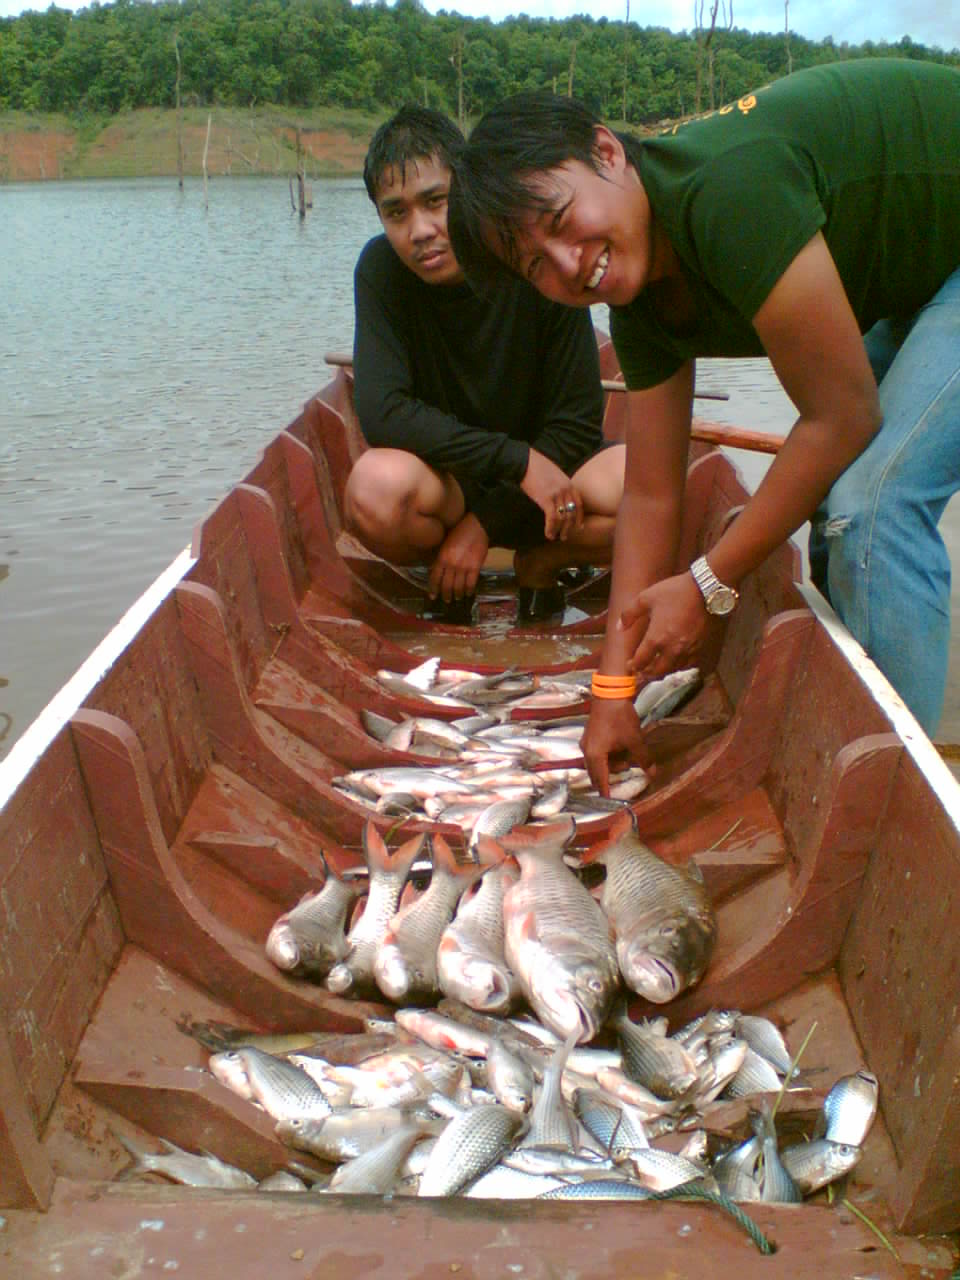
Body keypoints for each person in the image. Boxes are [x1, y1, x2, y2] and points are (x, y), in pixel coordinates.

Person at [447, 58, 960, 785]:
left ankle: (892, 795)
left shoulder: (726, 192)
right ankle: (869, 734)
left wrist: (708, 581)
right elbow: (653, 496)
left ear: (607, 152)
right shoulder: (642, 305)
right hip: (925, 266)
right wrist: (615, 690)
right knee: (826, 503)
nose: (570, 265)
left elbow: (843, 415)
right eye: (536, 267)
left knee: (874, 505)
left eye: (561, 221)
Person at [345, 104, 625, 625]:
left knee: (647, 488)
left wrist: (483, 526)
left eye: (436, 202)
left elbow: (578, 422)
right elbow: (383, 411)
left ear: (466, 189)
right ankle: (445, 565)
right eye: (397, 212)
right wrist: (512, 464)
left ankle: (543, 561)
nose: (421, 230)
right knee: (374, 489)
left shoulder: (528, 254)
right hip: (450, 488)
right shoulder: (381, 270)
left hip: (556, 487)